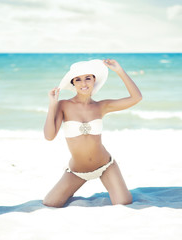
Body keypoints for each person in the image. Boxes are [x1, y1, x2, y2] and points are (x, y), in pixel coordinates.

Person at [43, 58, 142, 208]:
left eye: (88, 78)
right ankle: (70, 189)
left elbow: (136, 98)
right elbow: (49, 136)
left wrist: (119, 71)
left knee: (123, 203)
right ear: (73, 83)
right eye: (78, 80)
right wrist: (52, 104)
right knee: (50, 203)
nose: (84, 83)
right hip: (77, 171)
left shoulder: (102, 106)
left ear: (94, 81)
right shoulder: (63, 105)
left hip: (105, 166)